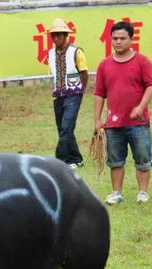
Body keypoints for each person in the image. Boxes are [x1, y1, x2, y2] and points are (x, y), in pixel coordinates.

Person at [94, 21, 152, 205]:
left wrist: (140, 107)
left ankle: (143, 193)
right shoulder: (104, 65)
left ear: (131, 39)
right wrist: (97, 119)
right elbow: (99, 93)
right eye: (115, 38)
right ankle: (116, 193)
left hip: (139, 123)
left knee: (143, 159)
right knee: (115, 160)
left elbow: (151, 85)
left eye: (122, 38)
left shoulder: (142, 61)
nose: (118, 42)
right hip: (113, 123)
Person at [47, 18, 89, 169]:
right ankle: (76, 159)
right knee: (63, 128)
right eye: (54, 35)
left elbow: (84, 74)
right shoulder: (50, 54)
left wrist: (80, 91)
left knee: (66, 127)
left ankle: (60, 161)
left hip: (74, 94)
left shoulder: (77, 52)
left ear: (66, 35)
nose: (56, 38)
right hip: (57, 95)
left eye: (59, 35)